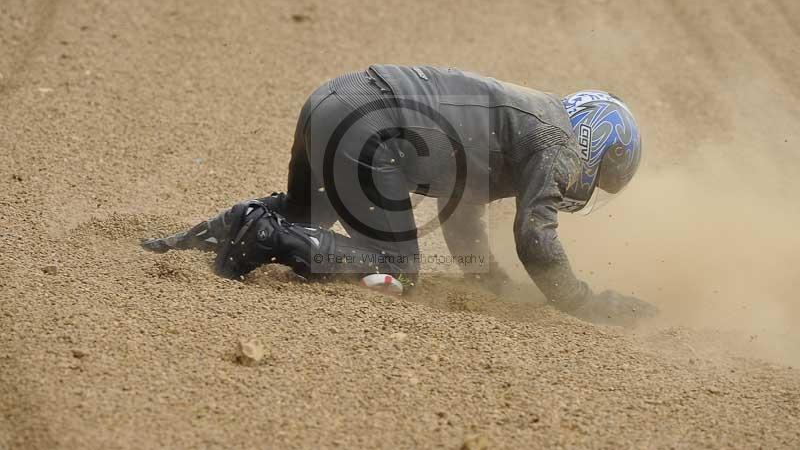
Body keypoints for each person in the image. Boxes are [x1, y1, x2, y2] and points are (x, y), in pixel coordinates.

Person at [142, 65, 657, 326]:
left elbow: (461, 211)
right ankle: (264, 233)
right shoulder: (562, 142)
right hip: (372, 125)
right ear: (599, 145)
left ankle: (195, 238)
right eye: (605, 175)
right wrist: (584, 302)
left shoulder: (533, 116)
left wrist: (487, 279)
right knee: (400, 269)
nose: (593, 186)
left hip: (332, 100)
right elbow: (535, 236)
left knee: (307, 209)